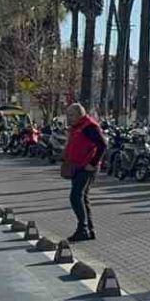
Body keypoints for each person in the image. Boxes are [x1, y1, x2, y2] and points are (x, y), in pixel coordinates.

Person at [62, 103, 106, 242]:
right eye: (68, 115)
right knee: (82, 197)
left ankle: (83, 229)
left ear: (79, 115)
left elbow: (102, 145)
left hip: (86, 167)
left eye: (71, 115)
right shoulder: (77, 126)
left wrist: (92, 163)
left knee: (75, 196)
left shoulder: (89, 126)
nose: (69, 118)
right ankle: (89, 229)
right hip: (77, 166)